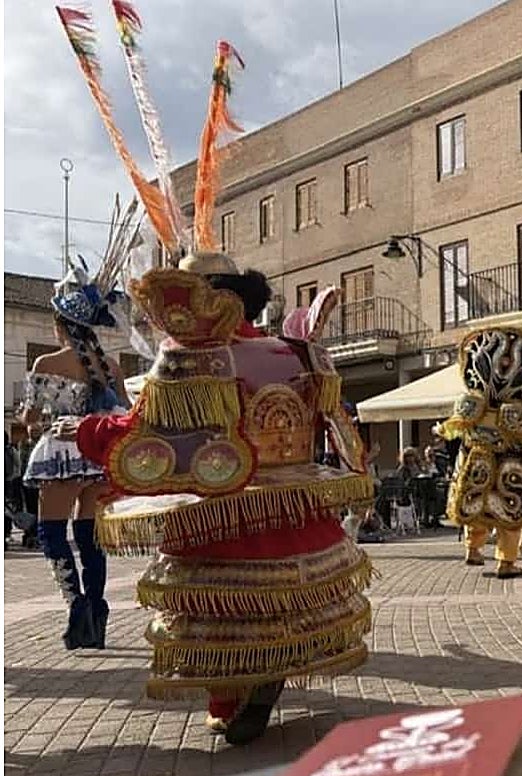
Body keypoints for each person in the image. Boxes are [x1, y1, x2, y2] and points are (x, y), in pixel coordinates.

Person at [64, 252, 375, 744]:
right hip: (294, 501)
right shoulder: (298, 351)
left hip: (219, 506)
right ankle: (261, 682)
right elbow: (331, 428)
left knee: (218, 609)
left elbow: (140, 429)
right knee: (283, 603)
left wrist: (85, 432)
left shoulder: (191, 356)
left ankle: (229, 700)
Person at [21, 258, 132, 651]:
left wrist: (29, 420)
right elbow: (124, 411)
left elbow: (32, 418)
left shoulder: (45, 363)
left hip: (60, 453)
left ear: (60, 325)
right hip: (97, 453)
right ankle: (98, 614)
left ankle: (77, 608)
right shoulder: (113, 367)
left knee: (52, 534)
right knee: (90, 538)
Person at [438, 327, 522, 578]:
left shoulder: (470, 402)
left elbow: (451, 428)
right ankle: (506, 562)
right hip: (510, 461)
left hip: (478, 457)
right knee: (509, 511)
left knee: (477, 504)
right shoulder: (521, 410)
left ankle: (473, 550)